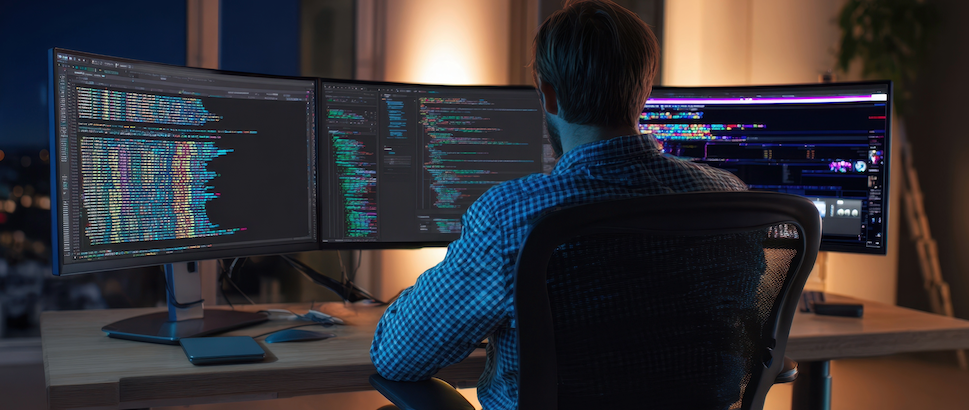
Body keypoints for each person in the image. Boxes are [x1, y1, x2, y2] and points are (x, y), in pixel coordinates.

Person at [370, 1, 747, 408]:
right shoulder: (729, 198)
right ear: (645, 92)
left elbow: (397, 356)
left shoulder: (511, 217)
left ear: (548, 95)